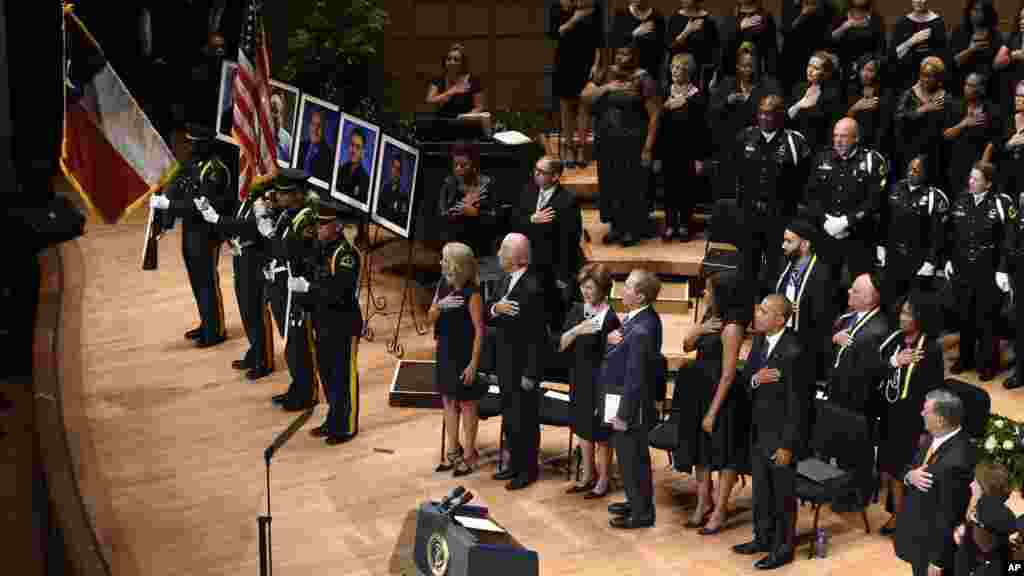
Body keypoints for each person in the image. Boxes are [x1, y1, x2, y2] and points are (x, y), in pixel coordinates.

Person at [731, 294, 808, 570]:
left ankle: (783, 548)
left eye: (764, 311)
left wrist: (788, 445)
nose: (757, 314)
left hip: (781, 438)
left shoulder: (793, 351)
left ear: (780, 319)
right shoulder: (761, 341)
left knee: (783, 498)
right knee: (761, 493)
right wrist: (755, 379)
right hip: (758, 432)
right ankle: (762, 538)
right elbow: (747, 378)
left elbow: (798, 405)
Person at [676, 270, 751, 535]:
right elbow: (686, 346)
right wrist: (698, 328)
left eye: (709, 290)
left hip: (723, 397)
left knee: (724, 454)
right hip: (699, 390)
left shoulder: (732, 327)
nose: (705, 294)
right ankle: (702, 502)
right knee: (701, 451)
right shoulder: (709, 317)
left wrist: (712, 412)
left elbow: (728, 373)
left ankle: (720, 510)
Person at [148, 122, 231, 348]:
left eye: (194, 143)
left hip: (207, 234)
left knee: (207, 282)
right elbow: (181, 188)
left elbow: (200, 207)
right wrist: (166, 219)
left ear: (204, 144)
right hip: (192, 232)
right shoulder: (195, 165)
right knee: (197, 282)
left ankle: (216, 331)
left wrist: (170, 205)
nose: (190, 147)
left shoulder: (214, 170)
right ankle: (207, 323)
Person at [291, 199, 363, 444]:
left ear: (338, 226)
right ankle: (334, 418)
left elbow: (339, 292)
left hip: (343, 323)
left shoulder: (346, 255)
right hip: (323, 320)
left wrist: (308, 288)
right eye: (318, 225)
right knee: (327, 373)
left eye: (324, 225)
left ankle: (346, 426)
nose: (319, 229)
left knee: (343, 376)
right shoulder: (320, 248)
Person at [876, 291, 944, 536]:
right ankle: (897, 514)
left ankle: (909, 518)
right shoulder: (893, 340)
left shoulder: (931, 349)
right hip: (890, 412)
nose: (902, 317)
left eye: (908, 313)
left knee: (907, 467)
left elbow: (934, 389)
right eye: (902, 312)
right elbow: (874, 367)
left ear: (920, 317)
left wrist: (929, 428)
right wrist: (895, 361)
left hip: (915, 419)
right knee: (894, 467)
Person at [197, 174, 277, 380]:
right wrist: (218, 221)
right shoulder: (246, 201)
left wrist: (217, 219)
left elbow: (249, 227)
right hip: (241, 258)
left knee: (256, 312)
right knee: (246, 311)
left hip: (256, 263)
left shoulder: (263, 205)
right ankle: (255, 350)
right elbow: (236, 222)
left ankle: (265, 360)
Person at [582, 44, 661, 247]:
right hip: (607, 142)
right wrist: (607, 87)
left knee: (631, 186)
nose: (621, 57)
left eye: (626, 53)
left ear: (634, 56)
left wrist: (648, 148)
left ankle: (632, 228)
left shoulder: (643, 78)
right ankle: (616, 227)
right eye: (618, 53)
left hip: (632, 142)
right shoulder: (606, 74)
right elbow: (585, 97)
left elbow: (654, 116)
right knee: (611, 185)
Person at [895, 389, 977, 576]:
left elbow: (949, 515)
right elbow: (910, 466)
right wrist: (910, 476)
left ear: (940, 420)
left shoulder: (957, 462)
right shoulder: (934, 436)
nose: (921, 413)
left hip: (930, 547)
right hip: (917, 533)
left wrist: (939, 560)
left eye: (926, 411)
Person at [487, 233, 547, 490]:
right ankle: (513, 464)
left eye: (505, 250)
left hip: (523, 367)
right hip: (505, 363)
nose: (499, 253)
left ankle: (527, 470)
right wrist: (494, 309)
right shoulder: (503, 280)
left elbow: (537, 336)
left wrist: (531, 374)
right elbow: (490, 309)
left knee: (525, 420)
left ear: (520, 258)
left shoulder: (533, 288)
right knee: (510, 417)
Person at [945, 161, 1015, 381]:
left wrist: (1003, 269)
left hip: (989, 270)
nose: (971, 181)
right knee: (964, 315)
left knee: (987, 318)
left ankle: (988, 363)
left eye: (976, 179)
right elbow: (951, 233)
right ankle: (965, 358)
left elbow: (1010, 239)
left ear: (989, 183)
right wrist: (948, 259)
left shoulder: (1002, 203)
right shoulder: (961, 199)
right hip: (963, 267)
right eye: (970, 177)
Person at [605, 269, 663, 529]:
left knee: (632, 459)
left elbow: (635, 377)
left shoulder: (641, 329)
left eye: (627, 287)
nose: (622, 290)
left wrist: (623, 414)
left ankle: (641, 514)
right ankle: (635, 500)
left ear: (639, 296)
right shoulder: (645, 318)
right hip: (626, 399)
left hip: (631, 407)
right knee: (631, 458)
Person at [736, 93, 811, 292]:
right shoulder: (745, 136)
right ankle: (744, 313)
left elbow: (805, 180)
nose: (764, 118)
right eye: (761, 113)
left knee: (775, 268)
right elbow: (735, 174)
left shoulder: (795, 141)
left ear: (780, 115)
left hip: (780, 216)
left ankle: (771, 311)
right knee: (746, 267)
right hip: (749, 214)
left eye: (769, 114)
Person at [558, 264, 620, 498]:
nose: (585, 292)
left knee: (602, 433)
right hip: (578, 378)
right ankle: (587, 475)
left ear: (603, 290)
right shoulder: (575, 311)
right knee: (583, 428)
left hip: (601, 382)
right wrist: (578, 330)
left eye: (590, 288)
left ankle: (603, 480)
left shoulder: (610, 317)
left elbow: (612, 355)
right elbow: (562, 344)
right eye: (583, 287)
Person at [829, 272, 889, 510]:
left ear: (872, 298)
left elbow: (872, 369)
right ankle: (841, 489)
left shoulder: (878, 330)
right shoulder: (847, 317)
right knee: (843, 450)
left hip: (859, 400)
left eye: (856, 291)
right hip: (839, 393)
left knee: (857, 452)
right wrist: (834, 339)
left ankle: (856, 496)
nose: (849, 293)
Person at [806, 118, 887, 290]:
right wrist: (825, 221)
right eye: (836, 136)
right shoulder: (822, 158)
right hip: (827, 234)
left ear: (856, 138)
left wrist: (846, 222)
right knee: (824, 285)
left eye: (844, 136)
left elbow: (875, 200)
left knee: (861, 287)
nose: (838, 141)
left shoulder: (872, 161)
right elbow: (811, 195)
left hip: (860, 236)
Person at [266, 169, 322, 412]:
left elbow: (304, 255)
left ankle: (307, 391)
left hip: (296, 288)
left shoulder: (307, 220)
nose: (278, 196)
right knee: (289, 340)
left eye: (284, 193)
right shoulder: (287, 214)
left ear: (298, 195)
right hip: (281, 284)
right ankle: (297, 385)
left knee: (299, 341)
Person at [429, 242, 486, 474]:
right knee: (449, 402)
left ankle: (470, 453)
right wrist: (440, 306)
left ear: (455, 265)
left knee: (467, 404)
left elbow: (479, 331)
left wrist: (474, 363)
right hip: (445, 351)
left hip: (464, 355)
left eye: (444, 259)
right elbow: (430, 318)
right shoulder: (442, 285)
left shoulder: (472, 294)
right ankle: (453, 451)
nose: (440, 262)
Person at [514, 156, 584, 332]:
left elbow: (570, 240)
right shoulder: (527, 191)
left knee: (554, 317)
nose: (536, 174)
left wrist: (562, 275)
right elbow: (514, 221)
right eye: (535, 170)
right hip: (528, 264)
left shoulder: (568, 201)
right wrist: (532, 219)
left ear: (555, 177)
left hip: (553, 268)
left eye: (541, 172)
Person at [878, 156, 949, 318]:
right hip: (894, 257)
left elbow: (939, 235)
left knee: (914, 308)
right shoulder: (895, 188)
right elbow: (884, 220)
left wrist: (931, 261)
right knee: (889, 302)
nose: (911, 173)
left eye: (916, 170)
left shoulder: (935, 198)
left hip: (918, 260)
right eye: (909, 168)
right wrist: (880, 246)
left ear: (925, 173)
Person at [708, 43, 781, 201]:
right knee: (728, 194)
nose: (747, 70)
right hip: (729, 146)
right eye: (743, 66)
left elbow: (776, 111)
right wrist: (727, 102)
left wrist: (752, 103)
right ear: (737, 66)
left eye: (751, 66)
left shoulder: (768, 85)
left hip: (759, 147)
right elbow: (712, 113)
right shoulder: (727, 83)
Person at [659, 52, 710, 242]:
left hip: (688, 152)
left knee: (686, 190)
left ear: (689, 72)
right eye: (673, 67)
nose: (675, 71)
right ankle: (670, 224)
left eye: (680, 68)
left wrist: (699, 158)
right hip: (668, 151)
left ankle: (685, 225)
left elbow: (702, 130)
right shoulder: (665, 92)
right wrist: (666, 107)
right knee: (669, 189)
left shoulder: (697, 96)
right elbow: (660, 125)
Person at [774, 220, 834, 381]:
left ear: (805, 244)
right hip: (781, 337)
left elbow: (823, 319)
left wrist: (802, 311)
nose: (783, 245)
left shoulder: (821, 274)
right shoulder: (784, 264)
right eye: (784, 240)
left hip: (804, 346)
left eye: (789, 241)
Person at [548, 0, 603, 167]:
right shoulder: (557, 6)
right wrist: (575, 18)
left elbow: (599, 39)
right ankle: (569, 147)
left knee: (584, 106)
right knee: (566, 108)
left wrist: (596, 63)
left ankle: (581, 148)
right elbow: (555, 33)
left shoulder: (594, 5)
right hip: (565, 61)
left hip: (586, 61)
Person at [954, 462, 1017, 576]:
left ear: (984, 485)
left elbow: (1010, 524)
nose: (971, 484)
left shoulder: (986, 507)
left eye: (975, 481)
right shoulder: (984, 507)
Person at [895, 57, 950, 189]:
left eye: (931, 76)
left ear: (939, 79)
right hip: (911, 148)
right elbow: (899, 118)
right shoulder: (909, 94)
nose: (926, 79)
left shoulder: (945, 97)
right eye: (924, 75)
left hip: (936, 151)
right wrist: (923, 109)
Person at [438, 142, 498, 258]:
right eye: (455, 165)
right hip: (454, 243)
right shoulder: (449, 184)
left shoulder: (487, 185)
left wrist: (475, 213)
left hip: (480, 246)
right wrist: (457, 211)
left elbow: (495, 219)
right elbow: (442, 214)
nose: (458, 169)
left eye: (464, 165)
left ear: (474, 165)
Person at [944, 73, 1001, 193]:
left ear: (981, 89)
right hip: (957, 166)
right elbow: (946, 135)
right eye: (966, 84)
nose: (966, 88)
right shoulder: (956, 106)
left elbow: (994, 141)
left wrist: (981, 168)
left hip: (979, 166)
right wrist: (964, 123)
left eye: (971, 86)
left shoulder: (992, 111)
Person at [787, 51, 843, 156]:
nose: (810, 71)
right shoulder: (798, 89)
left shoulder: (833, 95)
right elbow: (786, 119)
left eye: (816, 68)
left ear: (826, 73)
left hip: (818, 150)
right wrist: (798, 106)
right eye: (809, 66)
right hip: (795, 147)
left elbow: (832, 129)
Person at [889, 0, 949, 94]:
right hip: (906, 76)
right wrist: (912, 41)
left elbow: (943, 56)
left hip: (931, 78)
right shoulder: (902, 23)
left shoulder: (937, 22)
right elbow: (893, 55)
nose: (919, 1)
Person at [830, 0, 886, 96]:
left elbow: (881, 46)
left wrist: (873, 66)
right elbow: (830, 40)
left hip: (867, 68)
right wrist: (845, 26)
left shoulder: (875, 18)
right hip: (843, 67)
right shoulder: (841, 15)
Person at [949, 0, 1001, 99]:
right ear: (969, 11)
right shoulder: (959, 31)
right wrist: (971, 50)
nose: (977, 13)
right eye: (974, 10)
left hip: (987, 85)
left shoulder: (995, 35)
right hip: (962, 83)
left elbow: (996, 65)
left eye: (981, 10)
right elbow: (953, 62)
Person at [666, 0, 721, 92]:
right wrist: (687, 31)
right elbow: (670, 47)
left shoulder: (709, 20)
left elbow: (715, 50)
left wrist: (715, 74)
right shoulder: (674, 18)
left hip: (701, 74)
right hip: (678, 71)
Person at [846, 55, 893, 157]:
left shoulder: (885, 92)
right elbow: (844, 120)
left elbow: (884, 126)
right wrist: (856, 107)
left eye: (870, 70)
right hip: (852, 142)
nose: (865, 74)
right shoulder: (851, 89)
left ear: (877, 73)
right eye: (862, 69)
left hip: (876, 145)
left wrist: (875, 152)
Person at [611, 0, 666, 87]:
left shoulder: (657, 17)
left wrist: (649, 72)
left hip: (649, 71)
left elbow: (661, 48)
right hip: (625, 72)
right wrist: (634, 33)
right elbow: (615, 42)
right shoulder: (621, 14)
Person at [780, 0, 832, 90]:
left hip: (813, 58)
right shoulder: (790, 4)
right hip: (791, 57)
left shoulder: (825, 6)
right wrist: (802, 15)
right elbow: (786, 31)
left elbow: (827, 36)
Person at [426, 43, 486, 118]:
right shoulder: (438, 80)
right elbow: (429, 102)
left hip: (465, 122)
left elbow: (479, 107)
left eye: (456, 60)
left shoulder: (473, 81)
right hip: (442, 122)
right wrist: (451, 92)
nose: (451, 62)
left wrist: (464, 117)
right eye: (449, 59)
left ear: (463, 63)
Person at [721, 0, 778, 79]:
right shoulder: (731, 15)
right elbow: (724, 47)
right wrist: (740, 27)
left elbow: (771, 52)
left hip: (756, 73)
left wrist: (771, 79)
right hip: (732, 73)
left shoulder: (765, 16)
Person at [333, 127, 371, 205]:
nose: (353, 150)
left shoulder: (365, 180)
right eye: (352, 145)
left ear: (362, 152)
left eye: (357, 147)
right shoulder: (340, 170)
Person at [297, 109, 334, 183]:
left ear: (324, 128)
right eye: (313, 124)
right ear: (309, 125)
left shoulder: (330, 156)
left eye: (319, 125)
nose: (315, 129)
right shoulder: (299, 146)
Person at [377, 156, 411, 229]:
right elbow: (379, 209)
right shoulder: (384, 187)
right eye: (394, 167)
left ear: (401, 173)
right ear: (391, 169)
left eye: (398, 169)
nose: (395, 171)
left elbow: (402, 218)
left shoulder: (403, 194)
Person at [271, 92, 293, 163]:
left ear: (281, 114)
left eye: (275, 111)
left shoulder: (288, 139)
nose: (272, 115)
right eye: (270, 110)